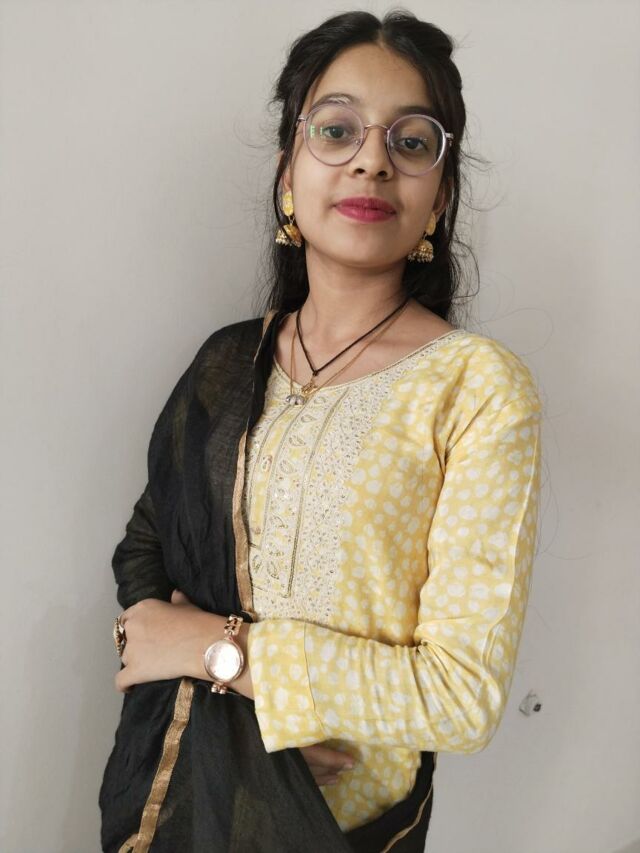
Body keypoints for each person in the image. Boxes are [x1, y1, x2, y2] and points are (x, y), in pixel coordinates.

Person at [99, 9, 543, 853]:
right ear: (287, 175)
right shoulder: (227, 363)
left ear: (441, 195)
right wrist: (215, 692)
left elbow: (463, 695)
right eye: (336, 130)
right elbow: (145, 557)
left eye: (411, 141)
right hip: (185, 806)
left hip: (345, 832)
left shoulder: (476, 387)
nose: (372, 159)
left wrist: (223, 656)